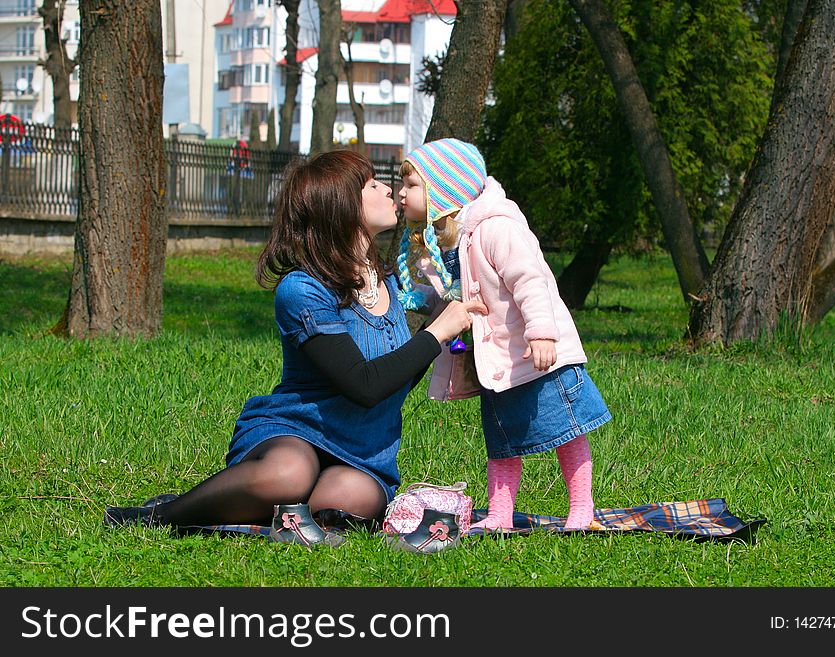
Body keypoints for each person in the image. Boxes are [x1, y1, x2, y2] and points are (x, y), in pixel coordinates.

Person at [105, 150, 485, 546]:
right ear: (340, 206)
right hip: (296, 431)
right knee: (289, 474)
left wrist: (438, 323)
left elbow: (393, 383)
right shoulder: (302, 289)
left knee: (343, 504)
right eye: (372, 184)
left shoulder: (386, 281)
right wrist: (436, 333)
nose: (388, 188)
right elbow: (364, 385)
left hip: (363, 448)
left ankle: (282, 513)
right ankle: (161, 515)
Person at [396, 138, 612, 532]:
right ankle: (500, 515)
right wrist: (418, 295)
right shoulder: (450, 242)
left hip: (537, 353)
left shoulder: (496, 229)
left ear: (445, 189)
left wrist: (543, 333)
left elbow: (530, 280)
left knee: (568, 428)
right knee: (501, 438)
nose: (401, 194)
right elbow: (454, 294)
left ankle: (582, 509)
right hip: (497, 361)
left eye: (411, 185)